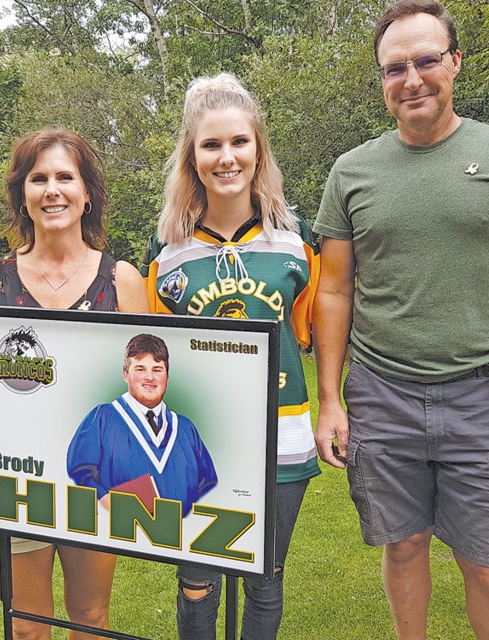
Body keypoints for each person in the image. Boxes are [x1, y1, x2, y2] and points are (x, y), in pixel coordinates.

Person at [311, 2, 489, 638]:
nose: (412, 79)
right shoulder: (351, 171)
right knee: (402, 547)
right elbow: (333, 292)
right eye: (394, 68)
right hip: (381, 392)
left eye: (427, 60)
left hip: (482, 394)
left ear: (455, 63)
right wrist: (330, 399)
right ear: (381, 80)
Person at [0, 126, 148, 640]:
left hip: (95, 490)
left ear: (87, 195)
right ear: (23, 195)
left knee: (90, 620)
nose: (52, 189)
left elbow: (144, 393)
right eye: (38, 178)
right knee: (28, 629)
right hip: (15, 488)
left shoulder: (122, 279)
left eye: (66, 176)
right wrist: (8, 463)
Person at [142, 72, 320, 640]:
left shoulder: (296, 240)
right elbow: (154, 352)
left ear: (258, 149)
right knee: (198, 577)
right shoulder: (167, 249)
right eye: (211, 144)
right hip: (192, 441)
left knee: (265, 578)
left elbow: (308, 334)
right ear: (191, 157)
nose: (226, 157)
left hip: (281, 435)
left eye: (239, 142)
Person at [67, 333, 218, 518]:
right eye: (140, 369)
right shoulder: (103, 418)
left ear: (167, 376)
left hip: (181, 538)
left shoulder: (185, 428)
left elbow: (208, 482)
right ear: (125, 374)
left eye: (157, 369)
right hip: (121, 534)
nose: (149, 377)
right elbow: (80, 472)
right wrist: (109, 504)